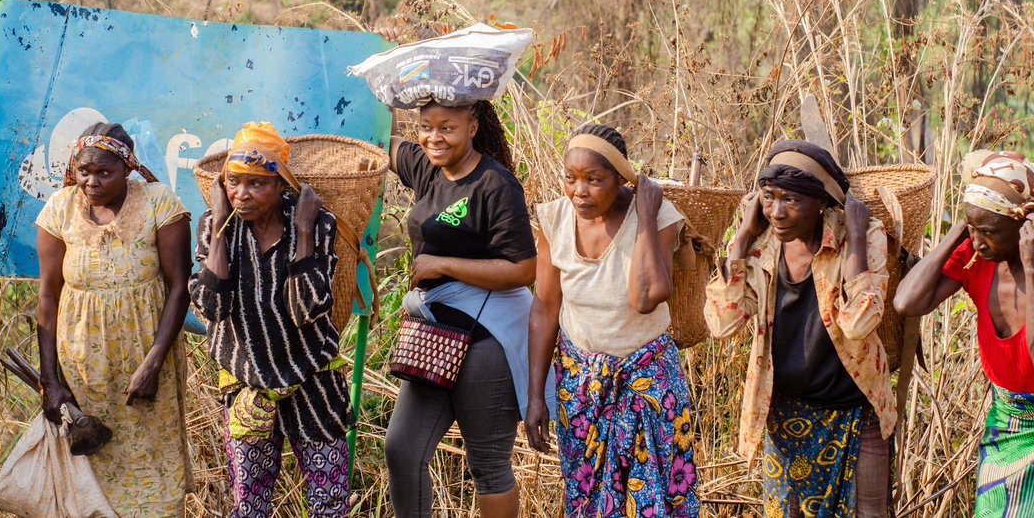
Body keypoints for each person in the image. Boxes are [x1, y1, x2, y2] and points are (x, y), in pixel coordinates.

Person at [704, 139, 896, 518]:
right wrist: (740, 239)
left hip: (854, 411)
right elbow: (723, 325)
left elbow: (859, 324)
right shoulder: (760, 247)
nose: (776, 212)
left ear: (822, 202)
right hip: (783, 413)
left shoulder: (860, 237)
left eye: (791, 200)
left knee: (870, 512)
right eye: (769, 197)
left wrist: (856, 238)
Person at [382, 94, 547, 518]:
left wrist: (444, 264)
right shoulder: (426, 166)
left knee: (487, 466)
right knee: (402, 449)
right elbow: (377, 138)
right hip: (436, 333)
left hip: (486, 337)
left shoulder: (496, 184)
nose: (434, 138)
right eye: (426, 126)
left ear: (472, 128)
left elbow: (524, 268)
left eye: (447, 128)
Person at [526, 125, 699, 517]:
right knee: (587, 500)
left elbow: (645, 297)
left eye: (594, 180)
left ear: (622, 178)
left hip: (649, 386)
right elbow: (545, 307)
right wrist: (536, 394)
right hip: (582, 388)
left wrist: (646, 216)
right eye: (570, 178)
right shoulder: (554, 220)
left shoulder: (660, 216)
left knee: (654, 501)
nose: (579, 191)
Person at [189, 122, 350, 518]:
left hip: (313, 382)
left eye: (257, 184)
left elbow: (305, 308)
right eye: (234, 182)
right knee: (250, 504)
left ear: (281, 185)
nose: (242, 194)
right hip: (247, 383)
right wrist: (223, 228)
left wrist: (305, 231)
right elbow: (212, 306)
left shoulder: (318, 224)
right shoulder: (215, 226)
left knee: (329, 503)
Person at [36, 123, 192, 518]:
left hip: (146, 365)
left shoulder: (159, 203)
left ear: (128, 167)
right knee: (88, 477)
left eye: (104, 172)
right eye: (84, 170)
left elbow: (179, 287)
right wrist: (50, 380)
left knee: (151, 469)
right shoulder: (60, 208)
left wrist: (154, 363)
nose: (91, 180)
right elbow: (48, 296)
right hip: (82, 371)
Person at [894, 149, 1034, 517]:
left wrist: (1031, 269)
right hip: (1005, 426)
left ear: (1024, 227)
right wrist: (964, 227)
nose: (978, 241)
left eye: (988, 231)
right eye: (973, 229)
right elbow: (907, 303)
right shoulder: (977, 260)